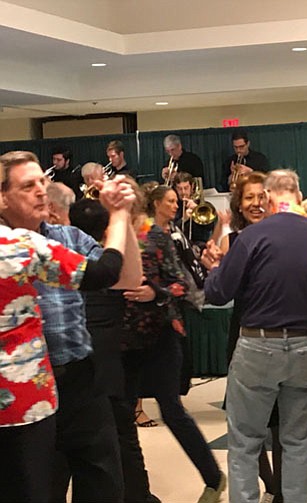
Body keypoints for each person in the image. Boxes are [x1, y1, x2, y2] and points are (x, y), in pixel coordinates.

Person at [0, 150, 141, 503]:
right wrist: (119, 216)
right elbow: (105, 271)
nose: (40, 191)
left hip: (80, 381)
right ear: (2, 198)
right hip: (23, 398)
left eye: (42, 182)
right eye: (28, 185)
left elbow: (127, 277)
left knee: (105, 485)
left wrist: (125, 219)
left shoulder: (68, 237)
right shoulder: (21, 245)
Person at [203, 169, 307, 503]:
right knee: (299, 441)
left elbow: (217, 293)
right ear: (298, 196)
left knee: (245, 441)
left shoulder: (252, 237)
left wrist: (215, 268)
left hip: (259, 344)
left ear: (270, 197)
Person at [123, 183, 225, 503]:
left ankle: (213, 477)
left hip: (160, 335)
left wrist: (156, 292)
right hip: (123, 341)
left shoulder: (155, 236)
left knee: (171, 410)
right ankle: (139, 494)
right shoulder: (106, 239)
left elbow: (181, 283)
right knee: (122, 418)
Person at [69, 198, 159, 503]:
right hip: (104, 362)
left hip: (100, 362)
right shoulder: (88, 256)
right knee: (114, 440)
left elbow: (130, 278)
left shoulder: (80, 252)